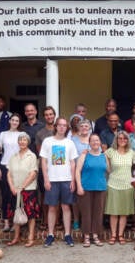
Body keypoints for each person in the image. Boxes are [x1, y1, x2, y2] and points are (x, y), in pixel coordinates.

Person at [40, 117, 78, 247]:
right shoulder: (47, 141)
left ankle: (67, 234)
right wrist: (46, 179)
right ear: (55, 126)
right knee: (52, 207)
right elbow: (43, 161)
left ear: (67, 127)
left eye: (64, 125)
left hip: (66, 179)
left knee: (66, 207)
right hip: (52, 179)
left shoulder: (70, 143)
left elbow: (73, 163)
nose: (62, 127)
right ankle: (50, 234)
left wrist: (73, 180)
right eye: (60, 125)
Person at [76, 133, 110, 247]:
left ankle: (95, 235)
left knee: (98, 213)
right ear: (89, 143)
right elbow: (77, 171)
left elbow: (109, 170)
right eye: (93, 141)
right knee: (86, 213)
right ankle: (86, 236)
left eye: (97, 140)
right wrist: (79, 186)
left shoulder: (104, 156)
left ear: (100, 142)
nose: (95, 142)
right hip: (86, 188)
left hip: (101, 187)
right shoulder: (84, 155)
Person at [7, 132, 39, 247]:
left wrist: (22, 186)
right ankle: (16, 237)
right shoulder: (13, 156)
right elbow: (9, 173)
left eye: (24, 140)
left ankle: (30, 237)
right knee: (16, 212)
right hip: (15, 190)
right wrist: (12, 186)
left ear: (28, 142)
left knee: (30, 214)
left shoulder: (32, 156)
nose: (22, 142)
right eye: (20, 140)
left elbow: (33, 174)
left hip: (28, 189)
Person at [104, 131, 135, 245]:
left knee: (123, 213)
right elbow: (104, 161)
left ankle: (120, 235)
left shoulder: (131, 152)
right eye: (120, 138)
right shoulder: (110, 152)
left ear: (128, 140)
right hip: (113, 185)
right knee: (113, 212)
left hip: (127, 185)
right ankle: (113, 235)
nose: (122, 140)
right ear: (116, 140)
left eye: (125, 138)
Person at [0, 113, 22, 232]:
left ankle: (16, 222)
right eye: (13, 120)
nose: (15, 122)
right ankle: (6, 222)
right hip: (5, 166)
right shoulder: (3, 134)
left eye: (17, 121)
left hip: (17, 167)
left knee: (16, 195)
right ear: (9, 121)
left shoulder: (21, 135)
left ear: (19, 123)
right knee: (5, 195)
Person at [35, 106, 56, 230]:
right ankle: (45, 219)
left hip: (59, 168)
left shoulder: (60, 130)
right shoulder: (40, 133)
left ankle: (57, 221)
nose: (49, 116)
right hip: (45, 168)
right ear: (44, 117)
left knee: (57, 195)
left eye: (51, 114)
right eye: (47, 114)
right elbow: (40, 152)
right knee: (44, 195)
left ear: (54, 115)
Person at [71, 119, 92, 231]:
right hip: (77, 172)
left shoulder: (93, 139)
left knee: (88, 198)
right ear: (78, 128)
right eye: (82, 126)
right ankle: (76, 220)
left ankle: (86, 220)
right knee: (76, 199)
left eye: (86, 126)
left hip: (90, 173)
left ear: (89, 128)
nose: (84, 128)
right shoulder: (73, 140)